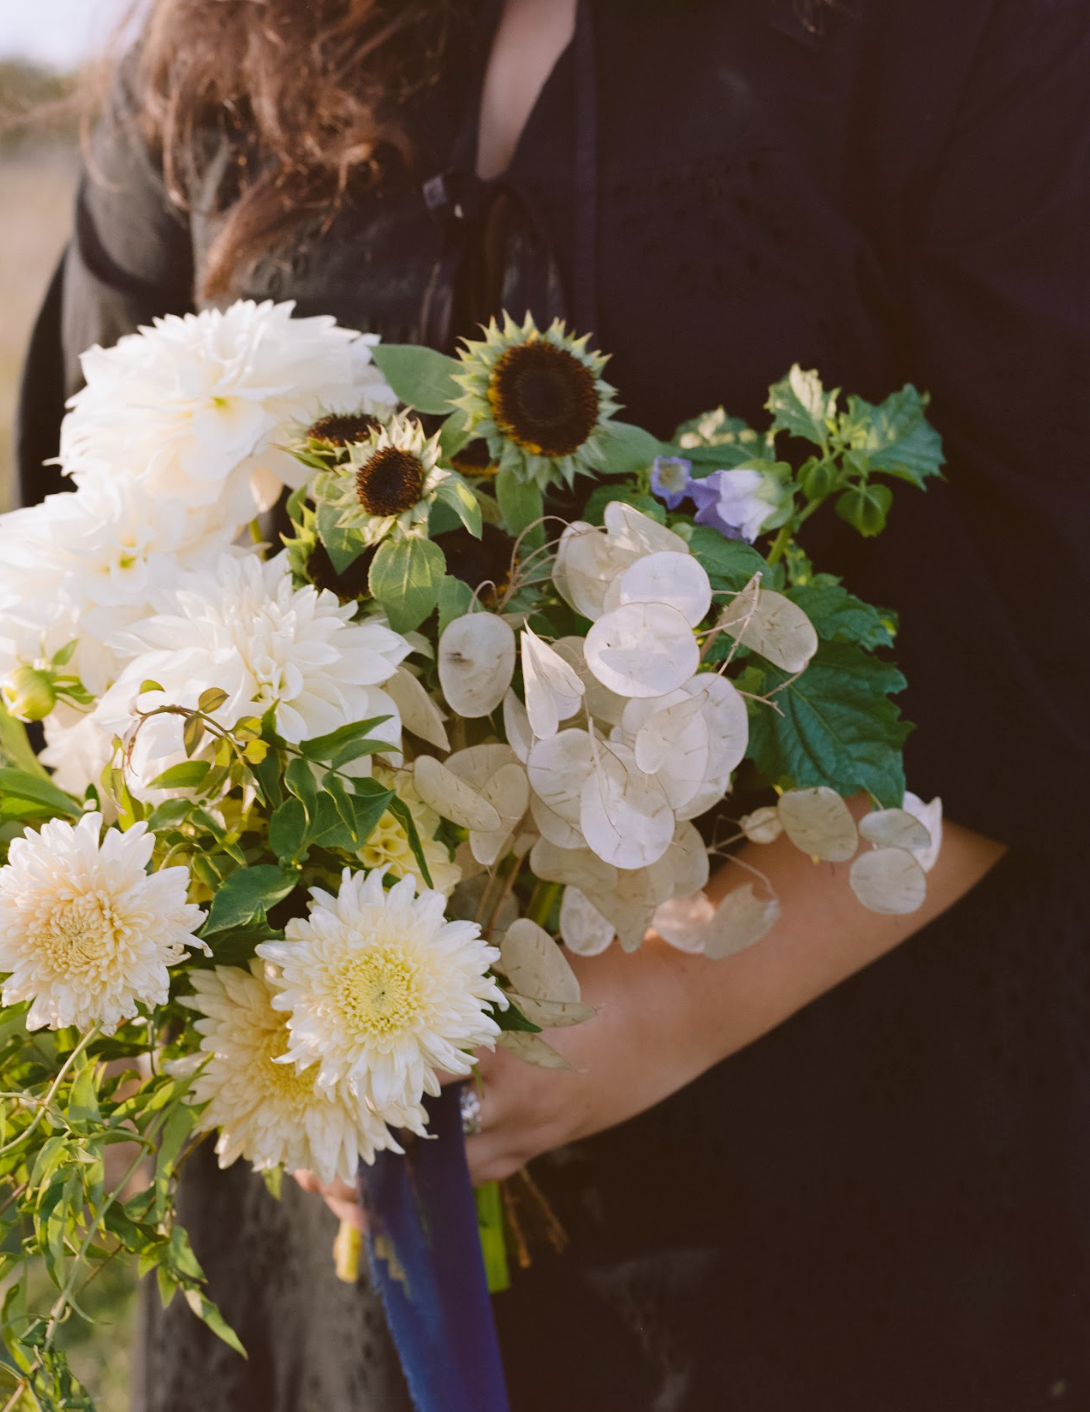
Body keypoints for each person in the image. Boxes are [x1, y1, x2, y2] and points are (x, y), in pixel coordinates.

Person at [15, 0, 1090, 1407]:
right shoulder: (213, 48)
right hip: (333, 1169)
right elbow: (88, 556)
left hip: (848, 1149)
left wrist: (657, 1015)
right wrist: (283, 1020)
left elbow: (1043, 574)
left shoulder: (970, 39)